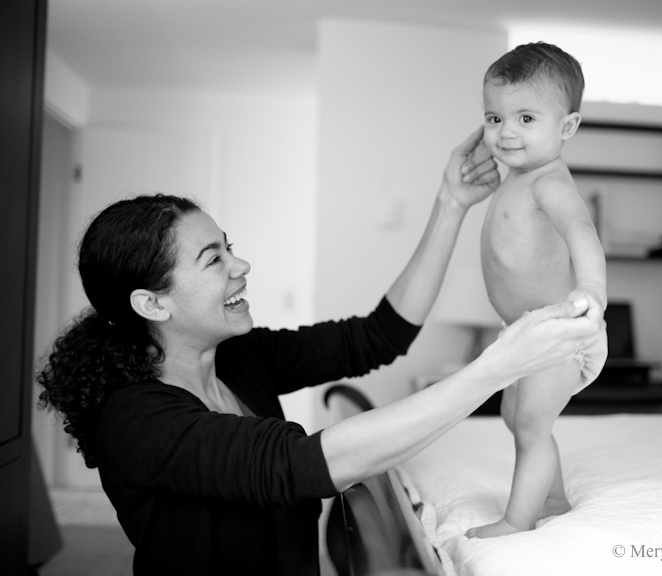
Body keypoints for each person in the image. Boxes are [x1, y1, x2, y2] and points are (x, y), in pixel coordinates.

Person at [36, 128, 605, 576]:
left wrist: (451, 203)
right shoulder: (136, 420)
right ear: (152, 304)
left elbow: (377, 336)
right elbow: (297, 465)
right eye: (213, 260)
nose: (241, 265)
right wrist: (498, 366)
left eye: (228, 247)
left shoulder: (238, 357)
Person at [466, 42, 608, 539]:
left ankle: (518, 520)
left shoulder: (549, 182)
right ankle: (553, 497)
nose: (506, 131)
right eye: (494, 117)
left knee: (529, 423)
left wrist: (591, 288)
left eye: (526, 118)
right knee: (518, 417)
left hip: (560, 328)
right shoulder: (515, 178)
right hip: (526, 329)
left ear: (565, 128)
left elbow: (580, 231)